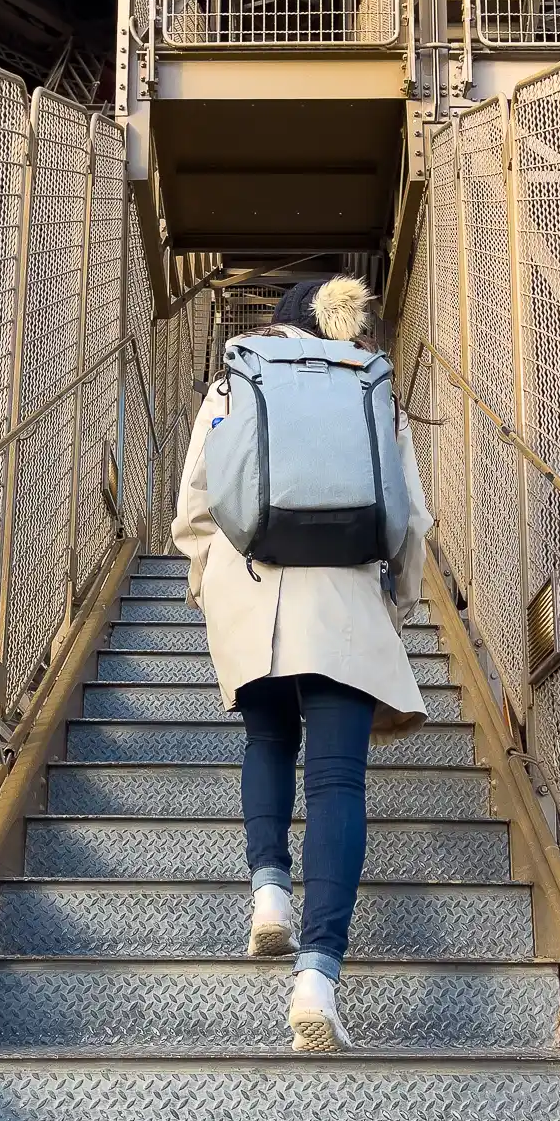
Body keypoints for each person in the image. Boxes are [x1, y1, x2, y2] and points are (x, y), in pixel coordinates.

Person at [171, 275, 433, 1051]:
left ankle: (269, 900)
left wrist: (211, 590)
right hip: (344, 600)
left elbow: (193, 509)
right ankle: (317, 982)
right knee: (337, 782)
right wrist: (397, 604)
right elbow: (409, 516)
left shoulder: (234, 378)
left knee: (268, 743)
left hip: (251, 588)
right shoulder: (371, 387)